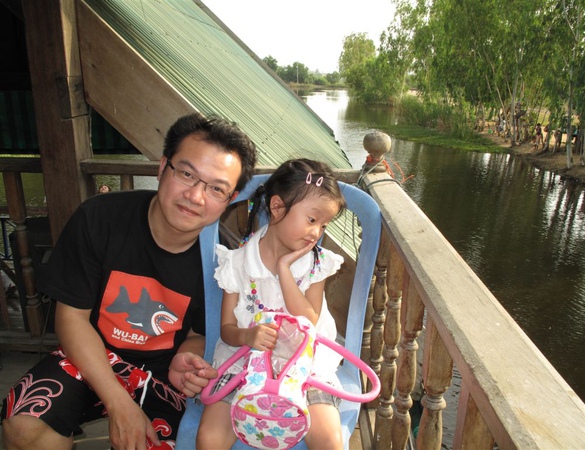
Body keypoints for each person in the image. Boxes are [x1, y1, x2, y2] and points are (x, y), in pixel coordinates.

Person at [1, 113, 257, 449]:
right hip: (89, 357)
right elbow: (72, 318)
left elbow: (198, 334)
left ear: (229, 199)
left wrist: (187, 358)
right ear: (162, 167)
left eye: (216, 188)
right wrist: (119, 404)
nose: (196, 196)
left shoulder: (222, 264)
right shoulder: (99, 218)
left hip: (163, 376)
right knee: (24, 426)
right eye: (186, 174)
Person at [196, 159, 347, 450]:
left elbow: (309, 320)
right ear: (277, 207)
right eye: (312, 220)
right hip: (242, 362)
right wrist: (247, 336)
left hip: (305, 364)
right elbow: (227, 329)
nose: (317, 233)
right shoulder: (237, 263)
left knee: (329, 439)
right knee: (209, 438)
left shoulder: (317, 264)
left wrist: (284, 269)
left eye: (324, 225)